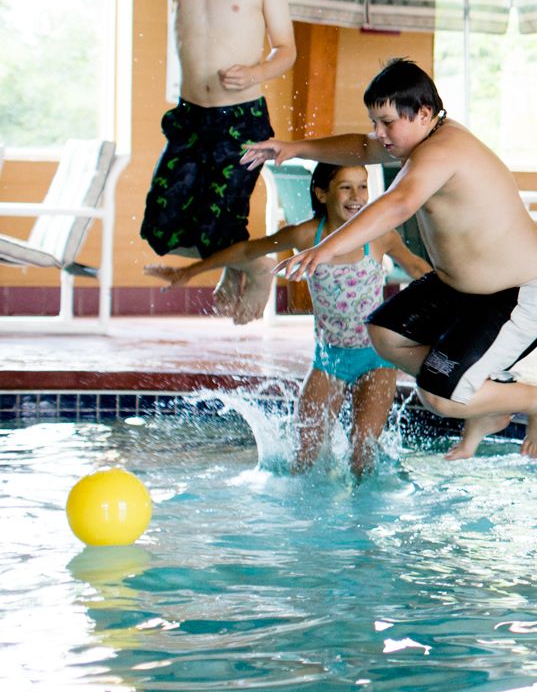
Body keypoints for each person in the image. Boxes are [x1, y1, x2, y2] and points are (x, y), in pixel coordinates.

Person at [243, 59, 537, 460]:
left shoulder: (443, 151)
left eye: (387, 123)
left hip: (522, 291)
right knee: (384, 334)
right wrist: (295, 149)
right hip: (462, 288)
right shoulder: (419, 140)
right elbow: (362, 147)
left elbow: (398, 203)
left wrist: (325, 248)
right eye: (374, 122)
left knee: (440, 397)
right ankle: (487, 394)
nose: (379, 134)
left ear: (425, 113)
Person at [92, 0, 297, 323]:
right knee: (163, 224)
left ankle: (256, 268)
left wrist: (256, 72)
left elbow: (286, 49)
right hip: (189, 119)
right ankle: (237, 263)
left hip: (241, 120)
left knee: (221, 221)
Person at [145, 164, 429, 476]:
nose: (357, 196)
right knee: (303, 458)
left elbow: (417, 268)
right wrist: (189, 271)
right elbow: (249, 249)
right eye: (346, 187)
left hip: (376, 357)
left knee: (363, 453)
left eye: (362, 186)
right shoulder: (307, 235)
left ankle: (362, 518)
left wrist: (470, 300)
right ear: (322, 193)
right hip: (329, 360)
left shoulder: (379, 236)